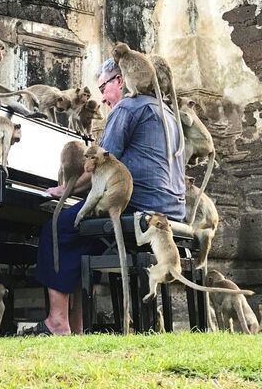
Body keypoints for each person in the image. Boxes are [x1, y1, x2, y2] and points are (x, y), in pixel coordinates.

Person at [30, 58, 186, 335]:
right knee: (83, 236)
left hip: (140, 205)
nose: (101, 97)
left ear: (120, 80)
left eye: (103, 87)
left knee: (56, 227)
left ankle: (57, 320)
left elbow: (99, 167)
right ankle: (76, 324)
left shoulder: (128, 107)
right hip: (172, 209)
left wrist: (63, 189)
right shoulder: (168, 114)